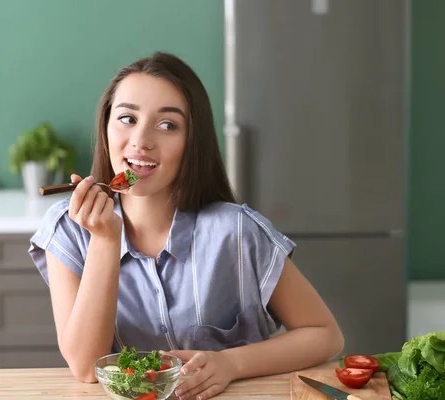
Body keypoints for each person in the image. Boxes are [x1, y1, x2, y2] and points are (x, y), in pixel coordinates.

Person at [28, 52, 344, 400]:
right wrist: (105, 240)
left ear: (193, 142)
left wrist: (231, 364)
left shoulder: (237, 232)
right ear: (105, 128)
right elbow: (87, 369)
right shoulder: (69, 229)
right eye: (127, 118)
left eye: (167, 125)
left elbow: (325, 335)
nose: (141, 140)